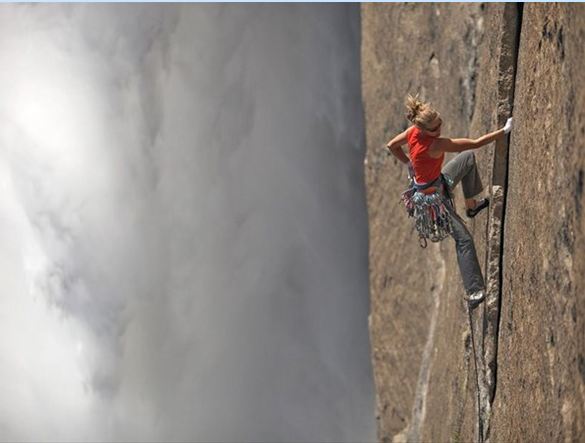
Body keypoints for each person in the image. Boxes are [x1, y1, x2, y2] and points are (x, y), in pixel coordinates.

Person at [385, 94, 513, 307]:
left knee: (467, 159)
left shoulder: (412, 132)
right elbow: (476, 142)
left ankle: (471, 207)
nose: (439, 129)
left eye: (440, 123)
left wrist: (408, 163)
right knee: (464, 240)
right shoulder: (435, 144)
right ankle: (475, 292)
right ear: (424, 130)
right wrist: (504, 131)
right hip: (434, 204)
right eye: (435, 128)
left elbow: (391, 146)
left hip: (438, 182)